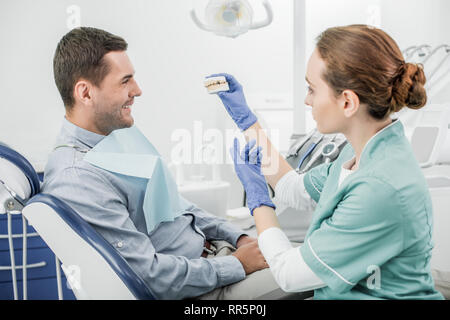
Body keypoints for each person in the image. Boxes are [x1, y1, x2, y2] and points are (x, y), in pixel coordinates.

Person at [42, 26, 291, 300]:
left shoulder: (115, 135)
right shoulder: (78, 177)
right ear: (85, 93)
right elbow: (148, 276)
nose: (137, 90)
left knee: (299, 254)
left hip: (215, 255)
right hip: (201, 290)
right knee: (312, 277)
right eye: (125, 81)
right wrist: (238, 264)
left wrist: (237, 237)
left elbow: (176, 206)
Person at [214, 24, 445, 299]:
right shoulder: (356, 156)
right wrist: (248, 121)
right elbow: (293, 189)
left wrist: (258, 199)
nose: (306, 100)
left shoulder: (379, 187)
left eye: (312, 89)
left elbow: (289, 274)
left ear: (347, 102)